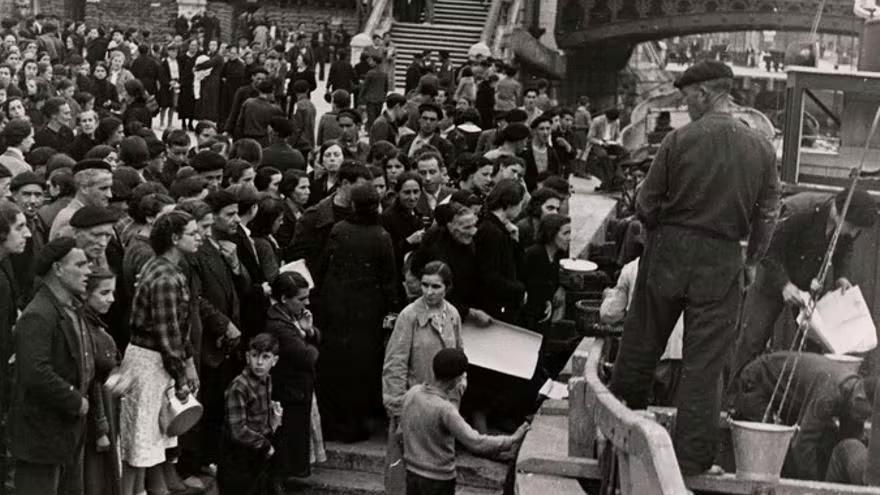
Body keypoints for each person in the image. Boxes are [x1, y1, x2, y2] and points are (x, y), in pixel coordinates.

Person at [609, 60, 781, 476]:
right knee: (704, 367)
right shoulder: (760, 147)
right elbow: (769, 215)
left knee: (640, 346)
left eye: (688, 99)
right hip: (722, 260)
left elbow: (646, 204)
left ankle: (614, 432)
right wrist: (752, 260)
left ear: (704, 94)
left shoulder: (678, 140)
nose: (687, 107)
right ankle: (691, 463)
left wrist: (664, 229)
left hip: (669, 250)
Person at [731, 189, 877, 377]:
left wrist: (841, 276)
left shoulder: (847, 225)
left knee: (814, 345)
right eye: (852, 227)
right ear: (837, 213)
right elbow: (767, 249)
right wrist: (784, 284)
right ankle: (736, 398)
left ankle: (800, 399)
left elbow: (845, 247)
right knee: (753, 338)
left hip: (808, 282)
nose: (853, 233)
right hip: (774, 275)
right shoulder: (799, 210)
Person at [119, 211, 201, 495]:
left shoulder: (165, 268)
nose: (200, 236)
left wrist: (184, 364)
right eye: (193, 232)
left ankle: (152, 490)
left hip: (155, 361)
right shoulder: (165, 276)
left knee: (152, 438)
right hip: (150, 363)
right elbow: (169, 336)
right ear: (175, 239)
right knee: (141, 441)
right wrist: (181, 377)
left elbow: (177, 331)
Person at [315, 183, 398, 443]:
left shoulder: (340, 230)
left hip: (337, 309)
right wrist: (392, 309)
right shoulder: (381, 236)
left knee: (336, 366)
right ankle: (357, 423)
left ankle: (334, 423)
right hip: (368, 313)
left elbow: (323, 266)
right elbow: (389, 279)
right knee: (363, 368)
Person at [9, 236, 92, 495]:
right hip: (41, 435)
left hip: (64, 431)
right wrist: (75, 400)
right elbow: (36, 372)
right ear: (57, 269)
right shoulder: (38, 315)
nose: (88, 271)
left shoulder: (68, 308)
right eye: (80, 265)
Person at [728, 352, 876, 481]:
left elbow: (849, 440)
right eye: (867, 415)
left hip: (790, 398)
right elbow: (803, 444)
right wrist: (814, 486)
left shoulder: (854, 394)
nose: (865, 419)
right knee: (768, 452)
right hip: (758, 382)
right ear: (859, 398)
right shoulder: (829, 396)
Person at [382, 261, 463, 495]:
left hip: (445, 402)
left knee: (439, 466)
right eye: (425, 285)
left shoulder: (452, 314)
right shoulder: (409, 316)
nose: (429, 292)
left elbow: (460, 352)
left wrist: (461, 382)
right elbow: (394, 364)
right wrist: (397, 408)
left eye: (436, 286)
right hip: (414, 402)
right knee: (407, 469)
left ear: (447, 287)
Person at [400, 348, 528, 495]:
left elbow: (401, 432)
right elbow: (476, 443)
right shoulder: (446, 410)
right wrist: (512, 439)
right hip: (438, 479)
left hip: (412, 472)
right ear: (458, 379)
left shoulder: (413, 393)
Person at [265, 271, 324, 481]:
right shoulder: (278, 325)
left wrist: (308, 333)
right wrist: (307, 340)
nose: (306, 303)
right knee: (287, 444)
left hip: (297, 389)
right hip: (289, 391)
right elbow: (308, 356)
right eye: (301, 299)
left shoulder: (289, 318)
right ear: (283, 298)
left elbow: (312, 340)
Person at [218, 333, 283, 495]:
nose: (259, 362)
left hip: (257, 451)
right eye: (255, 356)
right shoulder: (239, 387)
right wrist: (266, 445)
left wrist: (273, 420)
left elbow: (258, 416)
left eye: (265, 357)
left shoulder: (266, 379)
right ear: (247, 357)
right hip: (238, 456)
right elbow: (238, 431)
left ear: (274, 361)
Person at [81, 267, 123, 495]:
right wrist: (101, 429)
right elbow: (92, 383)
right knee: (94, 478)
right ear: (86, 294)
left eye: (113, 292)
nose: (112, 299)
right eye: (104, 293)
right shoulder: (86, 330)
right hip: (97, 414)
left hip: (107, 407)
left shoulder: (97, 327)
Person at [521, 213, 569, 329]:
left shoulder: (556, 255)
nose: (569, 237)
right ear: (551, 234)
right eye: (565, 233)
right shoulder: (535, 254)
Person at [50, 158, 114, 240]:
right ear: (84, 188)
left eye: (110, 188)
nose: (110, 195)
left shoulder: (91, 214)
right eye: (103, 188)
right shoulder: (70, 220)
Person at [381, 171, 425, 281]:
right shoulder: (388, 217)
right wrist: (408, 241)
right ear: (398, 193)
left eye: (416, 192)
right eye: (407, 192)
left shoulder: (420, 213)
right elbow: (385, 253)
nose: (412, 197)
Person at [235, 79, 284, 147]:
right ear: (272, 92)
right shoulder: (275, 109)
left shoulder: (248, 102)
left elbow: (239, 123)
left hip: (246, 138)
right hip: (263, 141)